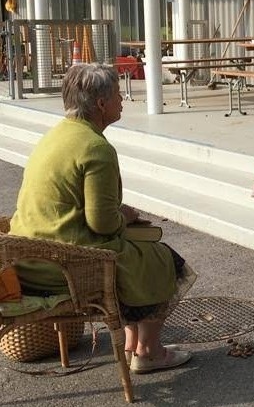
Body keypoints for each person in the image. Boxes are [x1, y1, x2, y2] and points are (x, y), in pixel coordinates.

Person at [10, 63, 193, 373]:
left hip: (27, 254)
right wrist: (122, 217)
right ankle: (148, 351)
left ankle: (133, 344)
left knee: (140, 253)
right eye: (118, 94)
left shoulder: (56, 135)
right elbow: (102, 224)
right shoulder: (96, 147)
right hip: (63, 264)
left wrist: (117, 214)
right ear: (101, 104)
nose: (123, 100)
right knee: (166, 260)